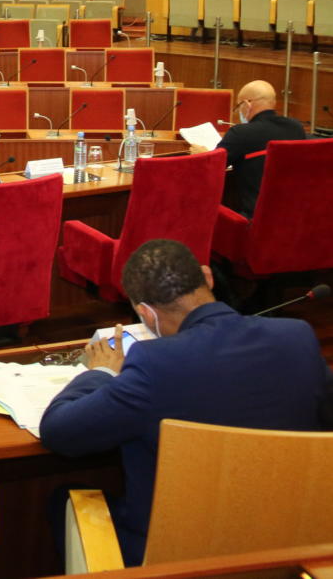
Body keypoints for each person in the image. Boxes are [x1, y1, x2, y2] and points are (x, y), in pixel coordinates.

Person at [40, 239, 333, 567]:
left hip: (175, 562)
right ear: (207, 277)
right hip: (288, 551)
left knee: (63, 499)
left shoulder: (154, 364)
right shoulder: (296, 337)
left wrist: (102, 372)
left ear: (146, 313)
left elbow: (59, 432)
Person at [217, 79, 306, 217]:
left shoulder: (241, 133)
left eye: (238, 106)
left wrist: (206, 154)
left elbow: (215, 166)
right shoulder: (296, 128)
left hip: (254, 217)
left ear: (247, 104)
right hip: (294, 214)